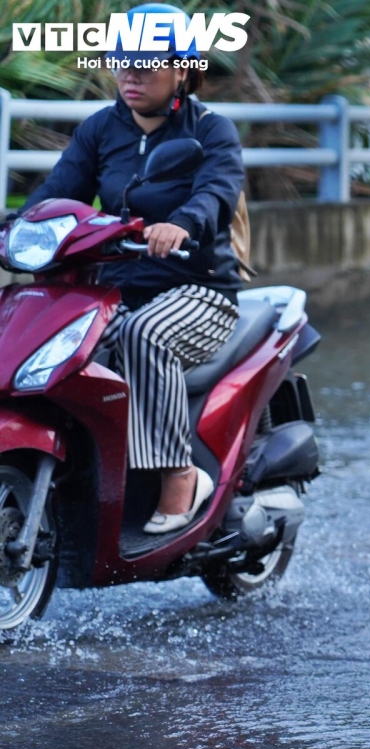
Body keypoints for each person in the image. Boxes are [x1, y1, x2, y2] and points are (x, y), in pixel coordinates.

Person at [22, 3, 244, 534]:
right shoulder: (101, 128)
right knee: (52, 341)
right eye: (123, 59)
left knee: (146, 336)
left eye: (146, 61)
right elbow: (55, 195)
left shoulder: (213, 130)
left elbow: (217, 191)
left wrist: (183, 224)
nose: (130, 72)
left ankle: (178, 478)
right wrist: (17, 228)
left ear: (182, 70)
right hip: (118, 287)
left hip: (200, 289)